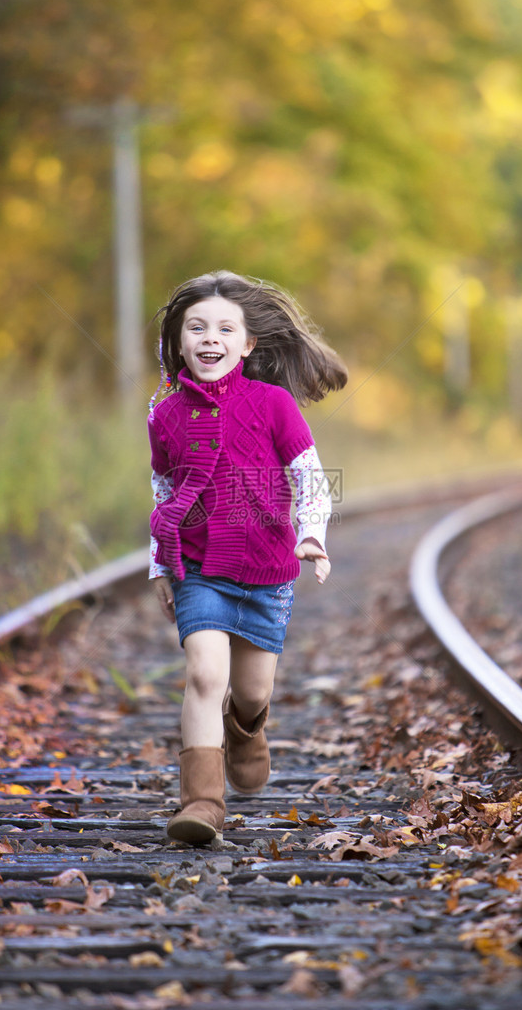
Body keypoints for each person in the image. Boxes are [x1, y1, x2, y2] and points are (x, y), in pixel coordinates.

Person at [148, 270, 347, 845]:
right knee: (206, 672)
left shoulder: (273, 404)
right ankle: (202, 803)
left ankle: (246, 727)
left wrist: (311, 535)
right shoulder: (166, 416)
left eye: (224, 328)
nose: (210, 338)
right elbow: (162, 494)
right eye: (197, 327)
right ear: (179, 341)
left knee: (253, 690)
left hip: (266, 573)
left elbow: (309, 480)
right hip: (200, 568)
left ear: (247, 343)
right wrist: (161, 565)